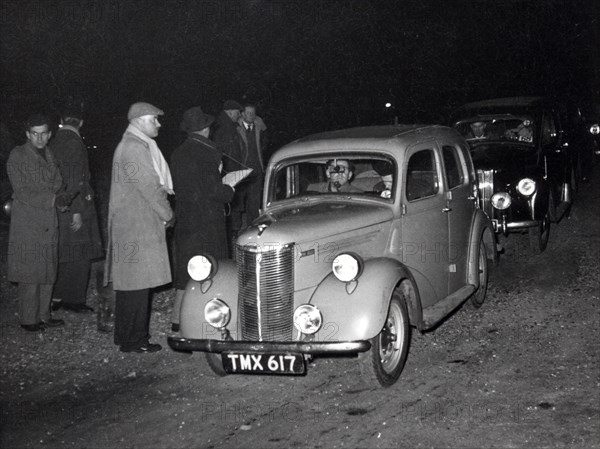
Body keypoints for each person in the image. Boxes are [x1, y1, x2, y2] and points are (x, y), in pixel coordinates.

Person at [104, 102, 174, 353]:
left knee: (131, 286)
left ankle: (127, 337)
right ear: (140, 121)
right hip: (137, 226)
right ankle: (135, 341)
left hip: (131, 224)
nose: (158, 124)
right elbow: (150, 187)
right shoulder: (134, 149)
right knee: (137, 286)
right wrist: (168, 213)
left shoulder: (132, 145)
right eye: (154, 119)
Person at [170, 107, 235, 332]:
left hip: (186, 219)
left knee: (185, 270)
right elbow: (214, 191)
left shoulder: (177, 153)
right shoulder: (209, 153)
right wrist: (229, 188)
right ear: (206, 129)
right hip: (208, 221)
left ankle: (177, 319)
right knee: (213, 267)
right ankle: (210, 315)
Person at [6, 114, 66, 331]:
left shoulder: (50, 154)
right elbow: (21, 191)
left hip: (49, 219)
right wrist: (52, 198)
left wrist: (62, 198)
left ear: (49, 135)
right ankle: (28, 319)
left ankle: (44, 314)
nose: (39, 139)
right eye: (34, 134)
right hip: (28, 222)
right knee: (30, 272)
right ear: (27, 134)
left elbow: (58, 181)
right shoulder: (18, 155)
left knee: (48, 269)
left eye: (43, 134)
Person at [51, 108, 103, 313]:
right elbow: (74, 180)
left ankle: (57, 295)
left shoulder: (55, 141)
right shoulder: (73, 143)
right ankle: (73, 299)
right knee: (79, 253)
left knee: (64, 251)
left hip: (60, 204)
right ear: (81, 122)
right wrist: (77, 210)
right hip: (73, 205)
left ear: (62, 120)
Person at [232, 102, 267, 231]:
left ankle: (252, 227)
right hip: (241, 170)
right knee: (238, 200)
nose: (251, 115)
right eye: (248, 113)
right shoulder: (236, 129)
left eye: (253, 113)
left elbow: (265, 145)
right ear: (242, 114)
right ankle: (235, 229)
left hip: (256, 169)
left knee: (254, 200)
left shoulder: (260, 128)